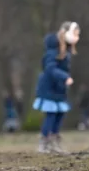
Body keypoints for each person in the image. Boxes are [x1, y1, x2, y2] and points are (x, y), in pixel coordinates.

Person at [32, 21, 81, 153]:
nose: (77, 38)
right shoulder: (53, 51)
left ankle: (54, 140)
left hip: (59, 89)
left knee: (60, 115)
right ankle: (45, 141)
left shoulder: (66, 51)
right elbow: (50, 69)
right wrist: (64, 77)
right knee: (51, 115)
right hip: (49, 88)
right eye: (75, 34)